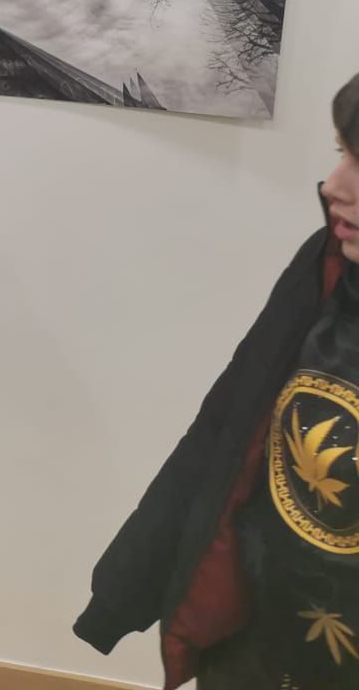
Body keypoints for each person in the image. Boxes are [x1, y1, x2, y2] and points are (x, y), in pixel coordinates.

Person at [76, 73, 359, 687]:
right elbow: (226, 433)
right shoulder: (326, 267)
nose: (335, 185)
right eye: (343, 153)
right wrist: (128, 586)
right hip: (257, 644)